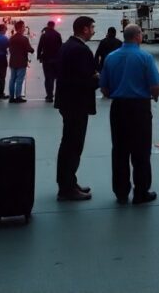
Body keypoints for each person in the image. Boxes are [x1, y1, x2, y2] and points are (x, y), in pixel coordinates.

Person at [99, 25, 159, 204]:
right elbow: (155, 86)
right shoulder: (145, 57)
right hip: (139, 108)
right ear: (138, 37)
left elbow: (104, 87)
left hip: (118, 107)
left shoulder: (111, 58)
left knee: (119, 151)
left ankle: (121, 192)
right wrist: (154, 97)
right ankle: (141, 192)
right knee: (141, 151)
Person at [55, 16, 98, 201]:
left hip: (67, 103)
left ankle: (68, 182)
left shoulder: (67, 46)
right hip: (76, 104)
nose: (94, 31)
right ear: (85, 29)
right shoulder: (81, 50)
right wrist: (97, 79)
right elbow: (83, 80)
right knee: (73, 146)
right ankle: (67, 188)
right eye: (92, 28)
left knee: (68, 144)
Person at [7, 20, 33, 103]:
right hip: (21, 61)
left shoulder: (11, 38)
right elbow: (29, 49)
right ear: (21, 28)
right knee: (19, 80)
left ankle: (11, 97)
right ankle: (18, 96)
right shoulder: (24, 39)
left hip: (13, 61)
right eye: (23, 27)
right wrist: (32, 50)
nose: (24, 29)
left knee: (12, 79)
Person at [37, 20, 63, 103]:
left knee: (48, 78)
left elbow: (40, 46)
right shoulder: (57, 34)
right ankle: (59, 95)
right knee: (57, 78)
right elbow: (61, 46)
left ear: (48, 25)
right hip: (56, 59)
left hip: (46, 59)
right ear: (54, 26)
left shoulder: (44, 35)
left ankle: (49, 96)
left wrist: (38, 56)